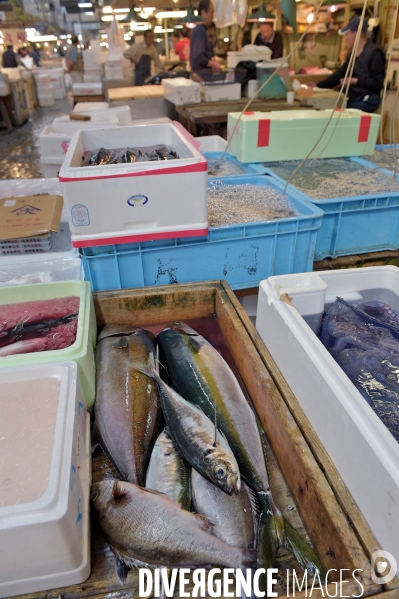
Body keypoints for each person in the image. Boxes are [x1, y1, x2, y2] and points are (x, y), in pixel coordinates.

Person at [314, 16, 385, 113]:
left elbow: (377, 83)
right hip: (355, 97)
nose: (346, 39)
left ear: (355, 34)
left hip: (368, 100)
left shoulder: (374, 53)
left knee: (343, 113)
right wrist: (317, 86)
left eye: (347, 34)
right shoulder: (353, 54)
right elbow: (340, 74)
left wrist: (355, 81)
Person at [190, 0, 221, 72]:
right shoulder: (200, 30)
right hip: (201, 75)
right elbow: (197, 57)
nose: (213, 17)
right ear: (203, 13)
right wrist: (213, 64)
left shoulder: (200, 30)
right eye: (211, 13)